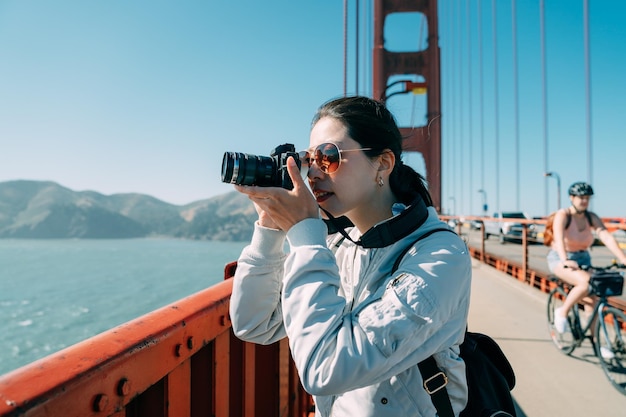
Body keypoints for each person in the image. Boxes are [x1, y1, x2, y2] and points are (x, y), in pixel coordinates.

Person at [228, 96, 472, 417]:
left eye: (329, 156)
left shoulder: (439, 258)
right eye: (310, 158)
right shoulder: (342, 245)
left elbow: (325, 370)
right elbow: (253, 324)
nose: (312, 173)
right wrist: (269, 228)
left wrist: (304, 237)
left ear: (383, 163)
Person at [548, 181, 626, 337]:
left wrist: (623, 259)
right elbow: (559, 236)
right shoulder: (563, 215)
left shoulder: (591, 217)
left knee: (593, 299)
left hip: (583, 258)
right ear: (572, 198)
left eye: (587, 198)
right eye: (581, 197)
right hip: (561, 257)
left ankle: (596, 342)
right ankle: (562, 312)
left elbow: (605, 236)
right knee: (586, 283)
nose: (584, 201)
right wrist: (565, 260)